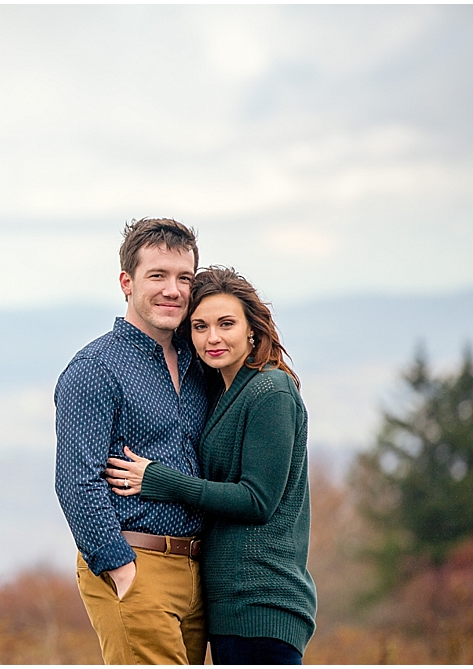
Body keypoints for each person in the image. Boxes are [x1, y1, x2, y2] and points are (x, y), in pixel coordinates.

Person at [107, 266, 317, 665]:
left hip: (262, 602)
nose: (213, 337)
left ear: (252, 329)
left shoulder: (270, 390)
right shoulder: (226, 391)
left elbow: (257, 500)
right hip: (230, 606)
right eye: (200, 326)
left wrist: (163, 481)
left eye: (226, 324)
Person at [55, 218, 209, 664]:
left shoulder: (197, 361)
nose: (173, 290)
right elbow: (76, 482)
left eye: (184, 278)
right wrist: (121, 568)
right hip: (137, 564)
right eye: (157, 276)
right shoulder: (95, 368)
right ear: (126, 282)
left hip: (199, 572)